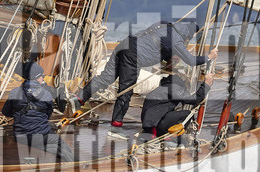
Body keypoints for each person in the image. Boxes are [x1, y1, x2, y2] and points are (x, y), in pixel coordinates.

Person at [81, 20, 209, 128]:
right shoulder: (177, 39)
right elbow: (192, 61)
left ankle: (79, 98)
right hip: (133, 55)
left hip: (124, 45)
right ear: (187, 35)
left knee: (105, 78)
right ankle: (116, 124)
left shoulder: (163, 25)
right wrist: (209, 57)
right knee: (126, 90)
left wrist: (168, 59)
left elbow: (154, 45)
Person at [2, 59, 74, 165]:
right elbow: (47, 115)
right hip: (40, 135)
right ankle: (75, 165)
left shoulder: (14, 92)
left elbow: (6, 112)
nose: (43, 78)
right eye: (42, 76)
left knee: (44, 142)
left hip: (20, 136)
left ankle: (46, 149)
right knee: (62, 145)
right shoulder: (46, 94)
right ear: (37, 78)